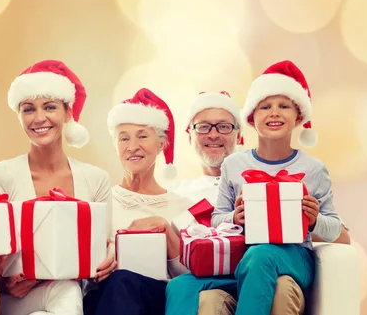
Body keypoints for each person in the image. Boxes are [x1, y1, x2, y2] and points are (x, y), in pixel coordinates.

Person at [165, 60, 342, 315]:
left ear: (298, 116)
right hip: (241, 259)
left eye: (284, 106)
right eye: (265, 107)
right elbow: (217, 219)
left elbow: (335, 228)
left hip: (295, 258)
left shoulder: (313, 168)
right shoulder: (234, 165)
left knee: (261, 255)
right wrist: (234, 218)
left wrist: (314, 221)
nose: (274, 113)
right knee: (181, 285)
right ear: (251, 117)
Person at [0, 59, 113, 315]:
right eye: (28, 109)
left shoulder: (96, 179)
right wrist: (3, 282)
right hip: (14, 298)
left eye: (50, 107)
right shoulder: (2, 176)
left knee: (65, 292)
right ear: (19, 116)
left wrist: (109, 261)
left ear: (68, 112)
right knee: (65, 292)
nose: (39, 118)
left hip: (78, 298)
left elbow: (106, 247)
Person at [83, 88, 194, 315]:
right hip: (104, 297)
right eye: (124, 138)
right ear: (116, 146)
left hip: (159, 301)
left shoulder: (182, 206)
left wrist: (165, 231)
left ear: (161, 144)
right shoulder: (98, 200)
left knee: (123, 281)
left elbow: (189, 278)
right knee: (117, 281)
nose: (133, 146)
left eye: (142, 136)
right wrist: (94, 269)